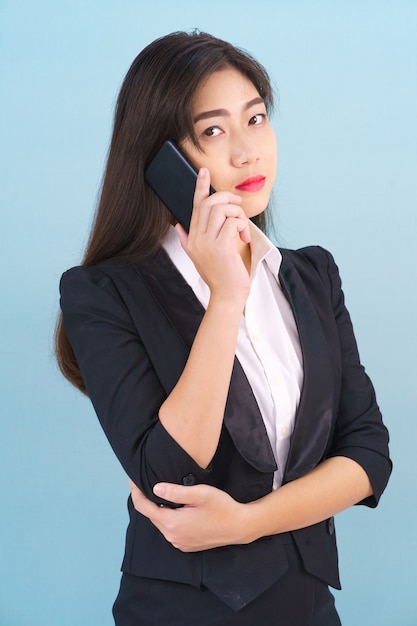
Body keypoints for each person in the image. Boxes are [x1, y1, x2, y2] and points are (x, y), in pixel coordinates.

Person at [56, 31, 392, 625]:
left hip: (309, 608)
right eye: (213, 131)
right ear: (163, 161)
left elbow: (367, 456)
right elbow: (168, 473)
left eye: (256, 119)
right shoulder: (104, 292)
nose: (246, 152)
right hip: (181, 612)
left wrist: (246, 521)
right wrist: (226, 299)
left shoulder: (312, 275)